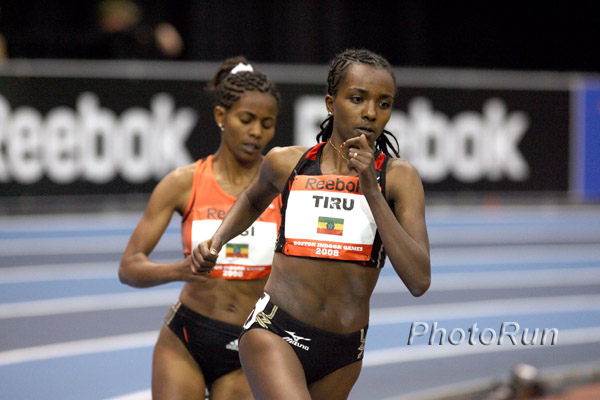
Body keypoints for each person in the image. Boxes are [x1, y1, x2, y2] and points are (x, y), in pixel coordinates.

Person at [192, 48, 431, 400]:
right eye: (357, 98)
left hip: (343, 352)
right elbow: (252, 199)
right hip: (274, 330)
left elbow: (419, 280)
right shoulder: (286, 163)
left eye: (384, 103)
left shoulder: (398, 178)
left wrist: (372, 191)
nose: (370, 112)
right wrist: (217, 241)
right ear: (331, 103)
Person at [119, 56, 281, 400]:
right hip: (185, 340)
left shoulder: (283, 187)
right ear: (221, 116)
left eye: (267, 124)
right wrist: (180, 270)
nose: (257, 132)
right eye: (246, 119)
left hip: (251, 343)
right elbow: (129, 267)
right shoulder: (183, 183)